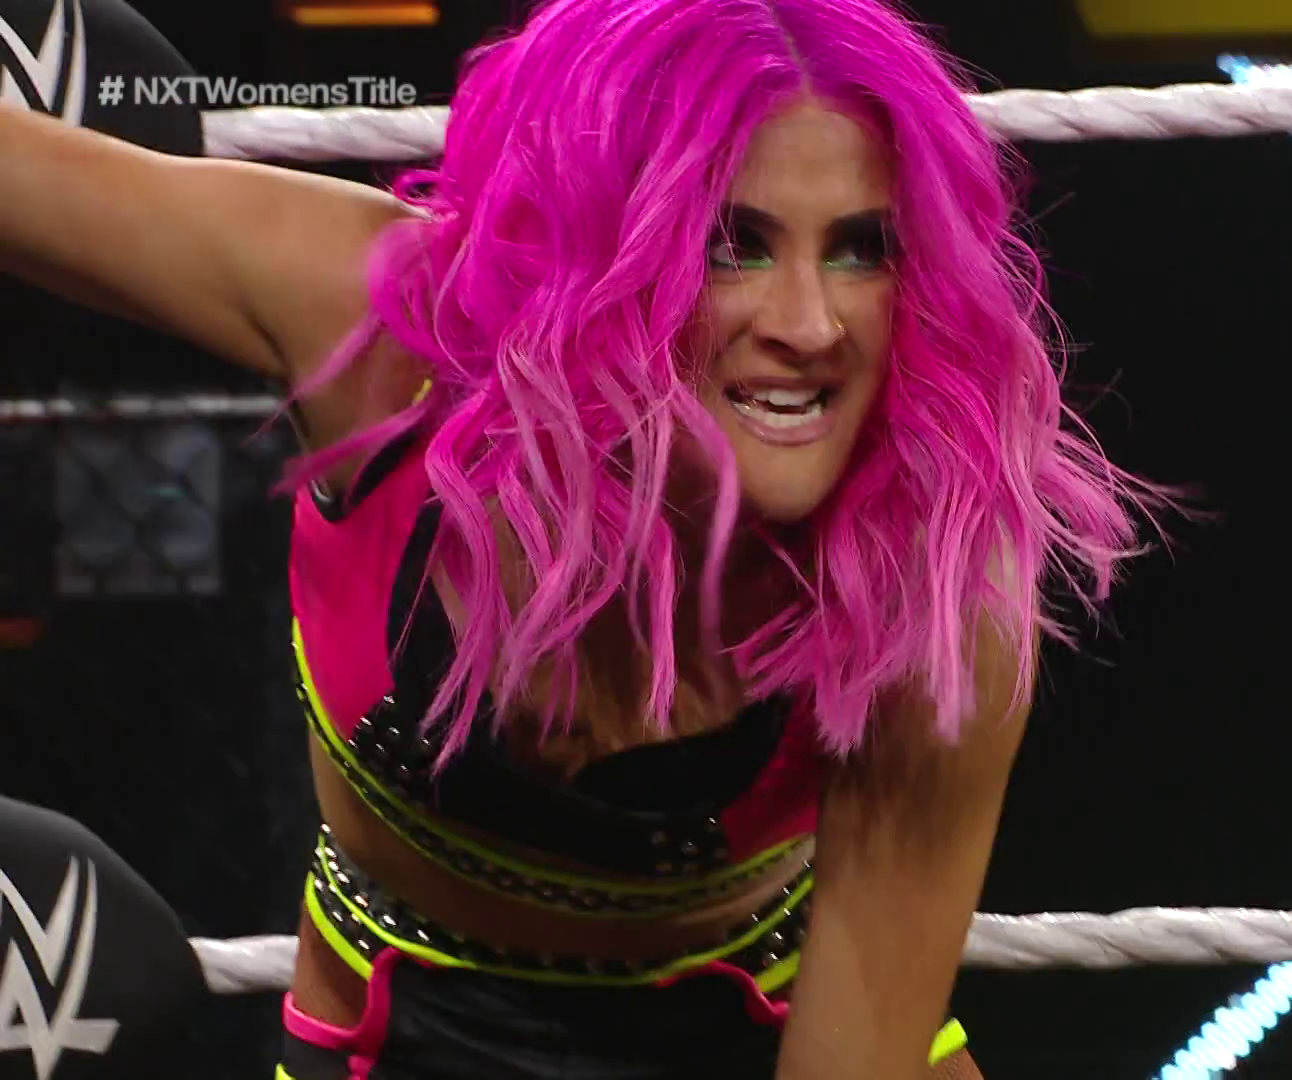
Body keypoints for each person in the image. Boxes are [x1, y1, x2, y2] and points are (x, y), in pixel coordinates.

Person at [0, 0, 1165, 1075]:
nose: (811, 325)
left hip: (764, 1026)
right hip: (398, 1032)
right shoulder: (387, 330)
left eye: (862, 247)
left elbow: (851, 1052)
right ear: (600, 243)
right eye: (734, 243)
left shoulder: (936, 574)